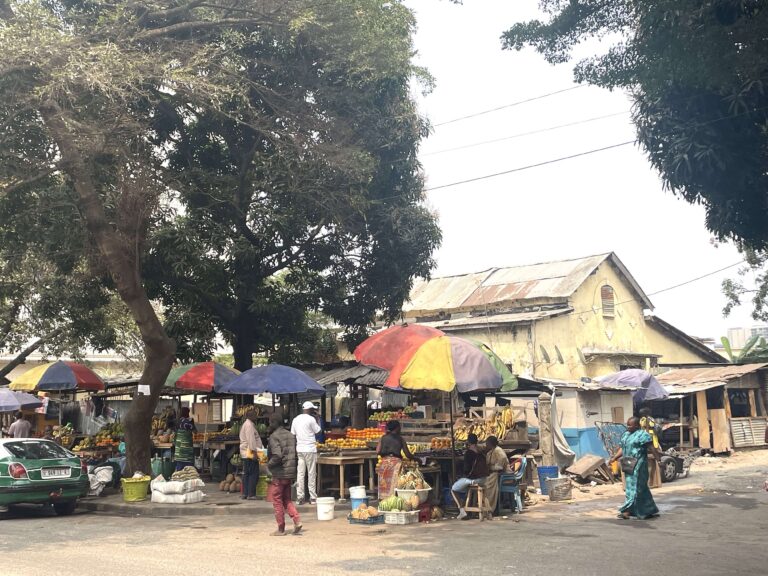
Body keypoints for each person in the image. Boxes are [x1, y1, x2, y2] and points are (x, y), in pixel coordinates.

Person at [609, 416, 661, 520]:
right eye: (627, 424)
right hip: (628, 464)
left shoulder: (643, 435)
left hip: (639, 464)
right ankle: (649, 509)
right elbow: (622, 449)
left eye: (630, 425)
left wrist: (658, 460)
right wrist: (614, 458)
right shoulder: (626, 435)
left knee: (637, 488)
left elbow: (651, 447)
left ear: (637, 426)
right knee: (632, 488)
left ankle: (628, 511)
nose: (627, 427)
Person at [267, 414, 302, 536]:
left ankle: (281, 528)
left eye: (271, 422)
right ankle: (297, 521)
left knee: (277, 500)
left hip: (279, 473)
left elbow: (277, 455)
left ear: (275, 423)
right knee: (287, 499)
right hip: (290, 473)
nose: (269, 425)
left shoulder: (274, 437)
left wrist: (269, 465)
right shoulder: (290, 435)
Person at [451, 433, 489, 520]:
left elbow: (466, 470)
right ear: (477, 441)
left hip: (474, 480)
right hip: (484, 479)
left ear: (468, 442)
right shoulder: (481, 453)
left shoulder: (469, 453)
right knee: (464, 486)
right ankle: (468, 508)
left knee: (453, 489)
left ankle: (462, 510)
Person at [291, 401, 322, 505]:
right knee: (311, 473)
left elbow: (293, 435)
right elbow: (318, 431)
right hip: (310, 449)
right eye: (313, 409)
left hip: (300, 449)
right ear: (310, 409)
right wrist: (318, 418)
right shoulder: (311, 419)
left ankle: (300, 497)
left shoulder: (295, 419)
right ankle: (313, 497)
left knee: (300, 474)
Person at [376, 420, 414, 500]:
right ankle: (394, 501)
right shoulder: (400, 439)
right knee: (395, 485)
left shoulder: (383, 438)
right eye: (399, 427)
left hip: (384, 463)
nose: (400, 429)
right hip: (396, 464)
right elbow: (407, 454)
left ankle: (383, 501)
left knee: (384, 484)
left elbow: (378, 451)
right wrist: (416, 458)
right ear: (396, 428)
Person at [239, 410, 263, 500]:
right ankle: (251, 494)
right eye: (255, 415)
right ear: (251, 416)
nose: (256, 417)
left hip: (246, 452)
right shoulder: (249, 425)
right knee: (253, 474)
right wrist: (254, 453)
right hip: (249, 453)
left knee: (247, 474)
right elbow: (251, 440)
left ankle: (245, 493)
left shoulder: (248, 424)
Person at [483, 436, 510, 515]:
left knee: (489, 483)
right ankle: (486, 505)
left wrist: (490, 469)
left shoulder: (499, 451)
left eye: (487, 443)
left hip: (502, 473)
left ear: (490, 444)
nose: (486, 444)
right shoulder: (491, 452)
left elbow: (500, 467)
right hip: (494, 472)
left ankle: (491, 507)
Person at [639, 408, 662, 488]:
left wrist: (648, 424)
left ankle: (651, 481)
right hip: (646, 437)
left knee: (653, 449)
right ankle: (658, 460)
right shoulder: (643, 419)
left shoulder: (649, 419)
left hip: (651, 437)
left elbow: (652, 426)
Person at [173, 407, 197, 471]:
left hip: (178, 449)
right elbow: (195, 431)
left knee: (179, 470)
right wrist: (192, 422)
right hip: (186, 450)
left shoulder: (176, 422)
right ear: (186, 413)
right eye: (188, 412)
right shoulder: (188, 422)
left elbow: (174, 434)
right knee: (189, 470)